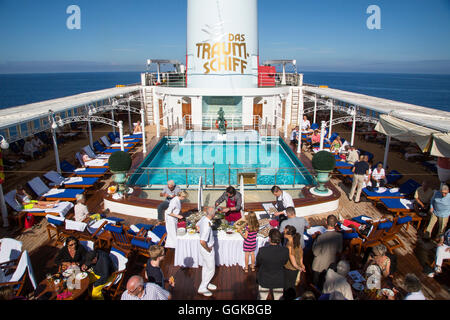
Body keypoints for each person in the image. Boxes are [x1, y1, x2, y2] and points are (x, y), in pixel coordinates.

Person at [256, 228, 289, 300]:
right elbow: (285, 262)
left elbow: (258, 262)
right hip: (278, 279)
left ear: (270, 239)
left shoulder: (262, 250)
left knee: (262, 298)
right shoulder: (285, 250)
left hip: (264, 278)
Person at [311, 215, 343, 289]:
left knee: (317, 287)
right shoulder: (339, 236)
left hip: (319, 266)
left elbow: (315, 252)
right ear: (335, 224)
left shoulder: (321, 237)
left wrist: (314, 242)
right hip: (331, 265)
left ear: (326, 223)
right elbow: (339, 250)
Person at [197, 207, 217, 297]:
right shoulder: (207, 226)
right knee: (211, 269)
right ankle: (202, 287)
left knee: (206, 267)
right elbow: (202, 241)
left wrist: (200, 231)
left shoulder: (203, 218)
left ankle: (206, 283)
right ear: (213, 215)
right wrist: (208, 249)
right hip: (206, 249)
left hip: (203, 248)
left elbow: (197, 225)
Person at [283, 225, 305, 293]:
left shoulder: (289, 245)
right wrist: (301, 264)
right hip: (296, 267)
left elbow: (292, 258)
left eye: (284, 232)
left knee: (288, 286)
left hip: (290, 268)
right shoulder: (297, 241)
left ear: (289, 235)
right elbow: (301, 253)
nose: (283, 233)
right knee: (292, 285)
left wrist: (298, 267)